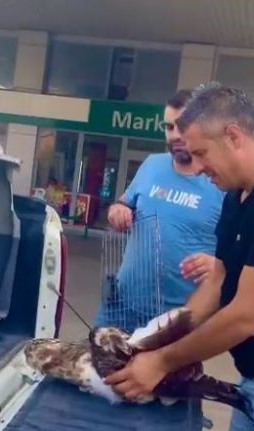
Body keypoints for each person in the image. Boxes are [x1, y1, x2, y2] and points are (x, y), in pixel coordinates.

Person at [104, 83, 254, 431]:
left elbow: (246, 317)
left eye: (202, 153)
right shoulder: (236, 197)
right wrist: (155, 339)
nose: (197, 168)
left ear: (233, 136)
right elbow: (216, 284)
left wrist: (161, 362)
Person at [94, 89, 225, 333]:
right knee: (98, 357)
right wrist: (118, 211)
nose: (174, 135)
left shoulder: (221, 182)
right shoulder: (152, 164)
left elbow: (245, 252)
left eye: (182, 127)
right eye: (168, 127)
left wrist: (220, 266)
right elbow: (123, 203)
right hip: (119, 306)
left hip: (176, 319)